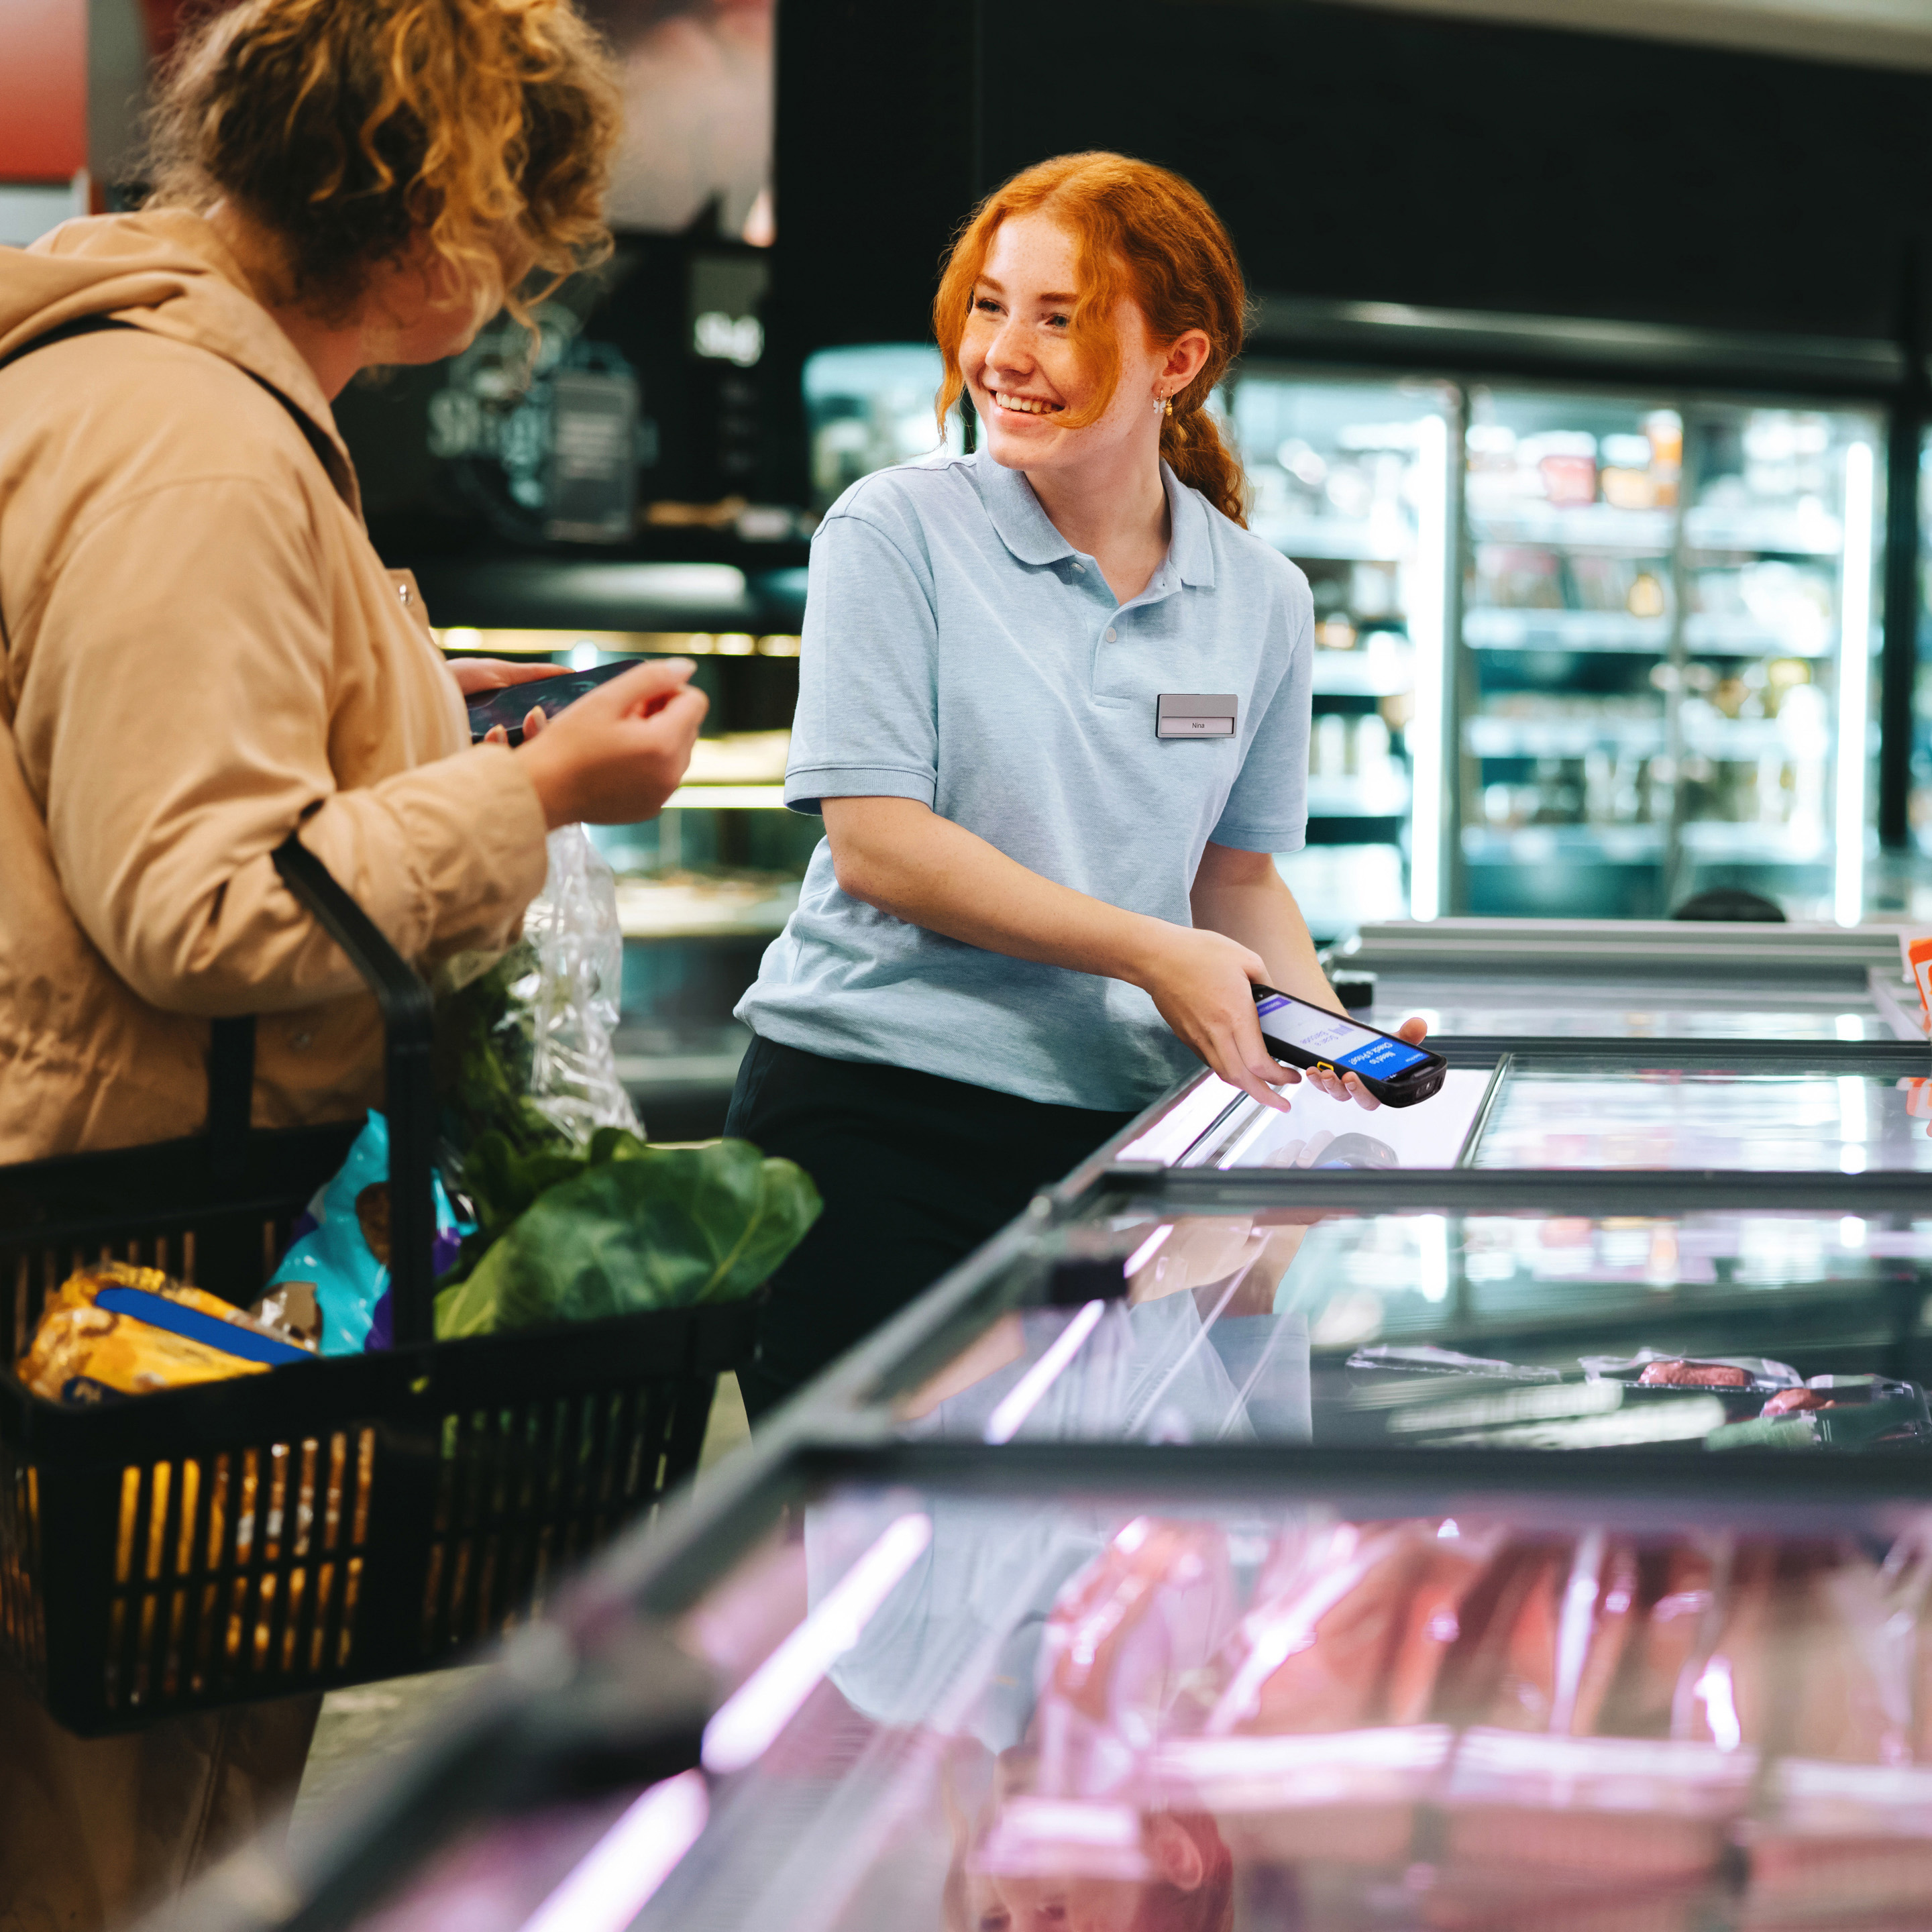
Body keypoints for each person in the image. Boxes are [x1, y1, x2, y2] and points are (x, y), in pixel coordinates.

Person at [0, 0, 704, 1919]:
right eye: (519, 224)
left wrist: (404, 716)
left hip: (117, 1220)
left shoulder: (150, 388)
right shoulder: (197, 445)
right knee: (127, 1852)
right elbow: (200, 902)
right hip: (126, 1260)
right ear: (434, 222)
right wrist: (539, 797)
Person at [728, 152, 1426, 1417]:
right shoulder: (893, 531)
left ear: (1178, 362)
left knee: (1077, 1549)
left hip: (1122, 1137)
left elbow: (1237, 879)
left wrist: (1341, 1054)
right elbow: (882, 843)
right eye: (991, 305)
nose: (1004, 350)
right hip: (878, 1122)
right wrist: (1155, 955)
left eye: (1060, 318)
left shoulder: (1263, 597)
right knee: (873, 1557)